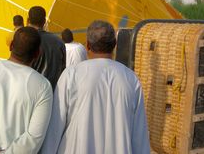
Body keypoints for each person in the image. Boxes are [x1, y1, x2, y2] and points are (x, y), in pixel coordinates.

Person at [41, 20, 150, 154]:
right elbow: (139, 135)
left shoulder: (72, 75)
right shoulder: (131, 79)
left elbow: (55, 127)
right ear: (114, 45)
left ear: (87, 45)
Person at [28, 6, 66, 90]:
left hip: (31, 92)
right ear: (44, 21)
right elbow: (63, 69)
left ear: (28, 20)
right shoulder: (59, 42)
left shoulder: (25, 41)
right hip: (53, 92)